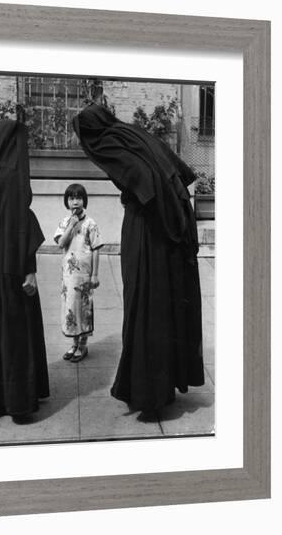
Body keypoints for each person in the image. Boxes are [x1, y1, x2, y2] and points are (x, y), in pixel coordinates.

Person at [73, 100, 204, 413]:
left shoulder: (111, 142)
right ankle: (163, 386)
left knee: (144, 302)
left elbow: (144, 183)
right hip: (169, 227)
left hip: (148, 230)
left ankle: (148, 392)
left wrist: (133, 197)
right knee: (163, 301)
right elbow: (164, 178)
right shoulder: (132, 135)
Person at [0, 118, 49, 419]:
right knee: (16, 336)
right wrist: (29, 268)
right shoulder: (13, 174)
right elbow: (19, 224)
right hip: (12, 269)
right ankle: (18, 401)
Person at [53, 183, 104, 362]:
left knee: (83, 308)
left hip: (84, 275)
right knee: (70, 307)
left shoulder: (91, 223)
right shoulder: (64, 222)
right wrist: (71, 225)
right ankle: (74, 343)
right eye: (72, 198)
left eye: (79, 198)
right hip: (68, 275)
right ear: (67, 201)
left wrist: (95, 274)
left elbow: (96, 248)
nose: (75, 202)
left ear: (84, 200)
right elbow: (61, 243)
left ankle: (83, 344)